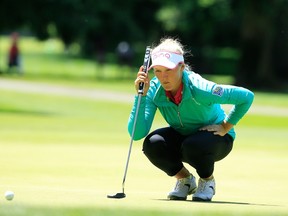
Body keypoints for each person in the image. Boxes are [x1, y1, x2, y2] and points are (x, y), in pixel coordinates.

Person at [128, 38, 254, 201]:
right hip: (184, 137)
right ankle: (185, 180)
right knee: (153, 143)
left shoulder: (200, 88)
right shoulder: (153, 89)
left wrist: (225, 126)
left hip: (216, 140)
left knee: (193, 145)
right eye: (157, 70)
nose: (163, 77)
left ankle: (207, 181)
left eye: (168, 69)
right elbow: (137, 133)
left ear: (181, 67)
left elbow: (246, 97)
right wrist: (141, 96)